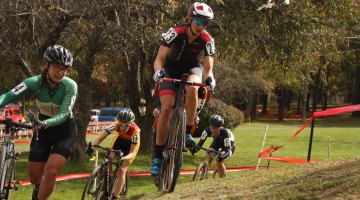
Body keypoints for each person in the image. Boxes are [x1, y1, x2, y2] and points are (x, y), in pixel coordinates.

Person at [0, 45, 77, 200]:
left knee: (51, 170)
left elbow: (64, 114)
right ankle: (38, 190)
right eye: (56, 67)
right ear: (46, 65)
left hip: (64, 130)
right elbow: (8, 96)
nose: (60, 72)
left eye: (64, 69)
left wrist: (45, 124)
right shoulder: (33, 82)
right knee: (35, 178)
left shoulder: (70, 85)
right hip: (43, 129)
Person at [151, 2, 216, 177]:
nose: (200, 26)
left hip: (192, 70)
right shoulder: (175, 32)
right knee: (166, 109)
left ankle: (187, 132)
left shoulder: (208, 40)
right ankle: (157, 155)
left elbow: (208, 66)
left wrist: (210, 78)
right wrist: (158, 73)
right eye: (197, 21)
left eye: (204, 23)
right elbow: (159, 58)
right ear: (189, 19)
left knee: (193, 87)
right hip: (171, 70)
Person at [89, 108, 140, 199]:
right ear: (118, 122)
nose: (123, 127)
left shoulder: (135, 132)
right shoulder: (114, 125)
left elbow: (132, 152)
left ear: (131, 123)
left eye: (126, 125)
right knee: (108, 158)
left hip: (130, 147)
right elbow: (100, 138)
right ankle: (107, 181)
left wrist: (124, 158)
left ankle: (114, 196)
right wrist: (92, 147)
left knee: (121, 169)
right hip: (119, 141)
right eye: (121, 125)